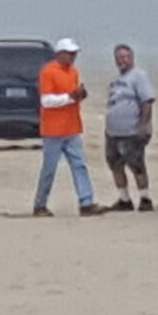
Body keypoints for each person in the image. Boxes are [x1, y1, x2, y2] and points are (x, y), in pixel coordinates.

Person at [32, 39, 100, 217]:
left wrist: (79, 96)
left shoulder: (74, 72)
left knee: (80, 166)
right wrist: (70, 97)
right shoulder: (49, 71)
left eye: (74, 54)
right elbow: (46, 101)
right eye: (70, 53)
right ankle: (40, 204)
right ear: (60, 53)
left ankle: (86, 202)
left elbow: (72, 96)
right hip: (53, 130)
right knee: (49, 169)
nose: (73, 57)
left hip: (72, 128)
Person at [104, 43, 157, 212]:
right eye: (119, 58)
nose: (122, 61)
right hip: (113, 132)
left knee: (137, 165)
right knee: (115, 164)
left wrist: (144, 125)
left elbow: (147, 102)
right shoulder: (117, 81)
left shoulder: (138, 76)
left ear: (132, 58)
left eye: (125, 57)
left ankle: (145, 198)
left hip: (131, 130)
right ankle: (124, 199)